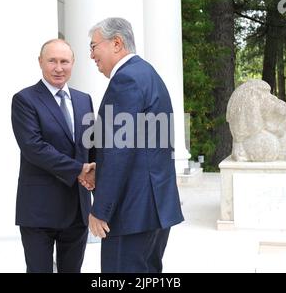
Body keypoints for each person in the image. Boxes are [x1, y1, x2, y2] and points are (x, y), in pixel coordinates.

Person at [87, 17, 184, 273]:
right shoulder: (147, 73)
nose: (91, 54)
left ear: (116, 43)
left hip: (132, 213)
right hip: (153, 208)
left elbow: (119, 151)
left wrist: (101, 209)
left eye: (94, 46)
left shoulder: (126, 79)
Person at [11, 39, 95, 273]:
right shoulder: (25, 100)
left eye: (64, 61)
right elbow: (34, 147)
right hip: (39, 211)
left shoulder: (83, 99)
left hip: (77, 210)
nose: (59, 67)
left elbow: (91, 146)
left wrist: (101, 178)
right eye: (52, 61)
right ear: (40, 62)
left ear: (73, 63)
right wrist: (79, 169)